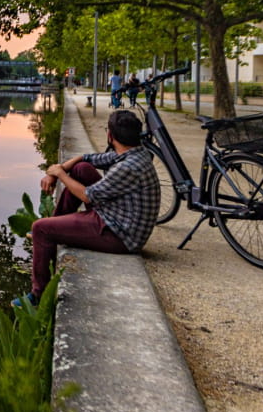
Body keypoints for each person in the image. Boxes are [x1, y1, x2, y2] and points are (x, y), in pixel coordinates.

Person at [14, 110, 160, 307]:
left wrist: (59, 174)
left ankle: (38, 296)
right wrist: (60, 171)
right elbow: (87, 158)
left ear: (110, 135)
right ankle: (55, 228)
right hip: (116, 213)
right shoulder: (133, 152)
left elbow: (86, 195)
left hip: (120, 234)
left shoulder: (127, 167)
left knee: (40, 228)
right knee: (80, 169)